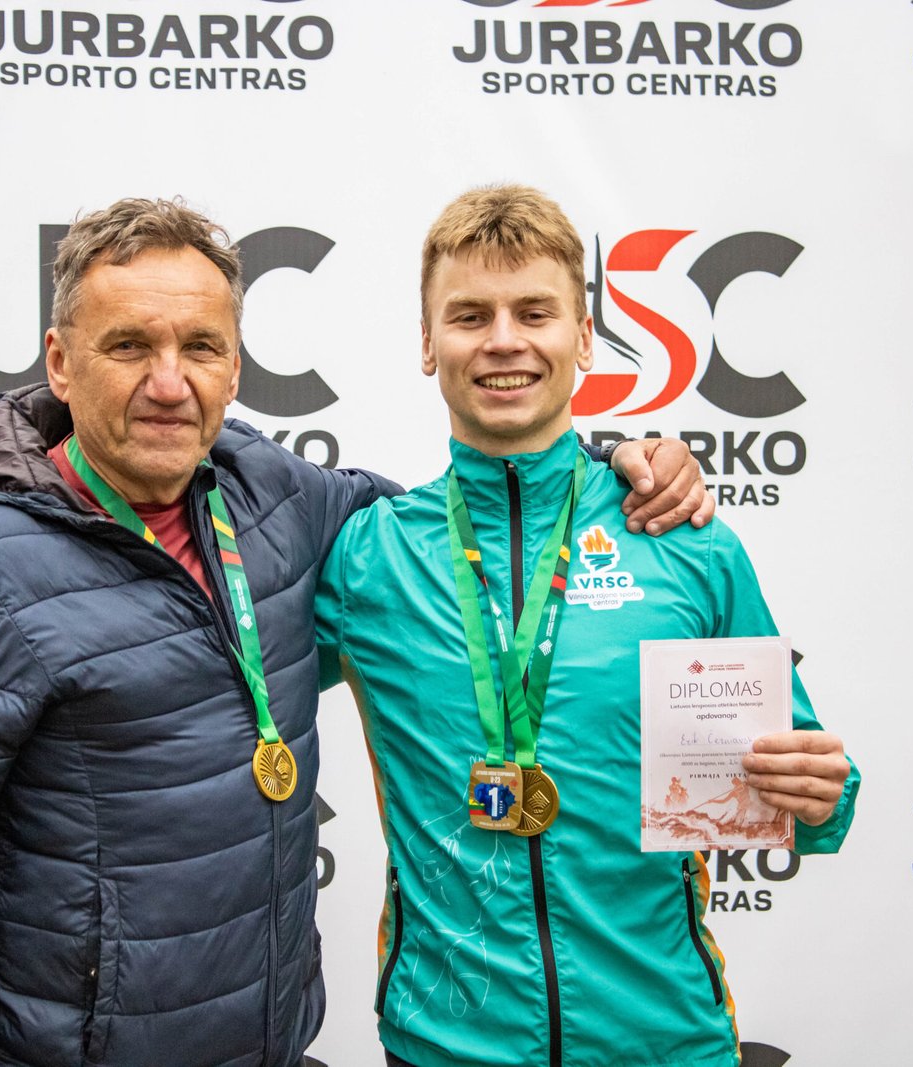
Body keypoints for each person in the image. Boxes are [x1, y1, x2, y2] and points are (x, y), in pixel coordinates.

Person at [0, 197, 713, 1067]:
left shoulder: (273, 494)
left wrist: (613, 468)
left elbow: (466, 518)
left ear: (235, 366)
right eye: (129, 345)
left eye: (201, 347)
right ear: (60, 363)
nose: (169, 383)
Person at [314, 185, 859, 1067]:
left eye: (535, 312)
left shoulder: (683, 537)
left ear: (585, 337)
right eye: (469, 315)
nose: (504, 339)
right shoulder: (368, 557)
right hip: (446, 1043)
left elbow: (802, 784)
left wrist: (824, 796)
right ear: (426, 342)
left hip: (664, 1038)